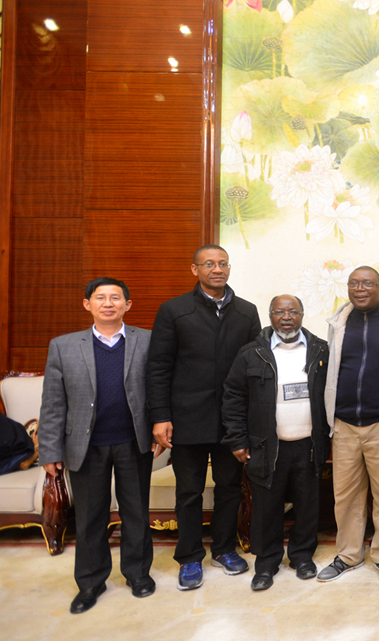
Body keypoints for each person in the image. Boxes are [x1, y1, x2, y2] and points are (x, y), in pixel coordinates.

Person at [37, 277, 158, 613]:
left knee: (136, 512)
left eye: (115, 298)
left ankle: (138, 574)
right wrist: (49, 450)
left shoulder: (147, 341)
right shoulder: (63, 346)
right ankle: (90, 582)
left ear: (127, 305)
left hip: (134, 441)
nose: (108, 303)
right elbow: (53, 403)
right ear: (87, 304)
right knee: (90, 517)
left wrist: (160, 427)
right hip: (85, 445)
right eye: (100, 297)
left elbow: (159, 388)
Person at [147, 245, 261, 590]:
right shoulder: (174, 310)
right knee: (189, 491)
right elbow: (158, 367)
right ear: (194, 269)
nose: (217, 269)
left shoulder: (246, 312)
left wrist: (252, 420)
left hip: (232, 420)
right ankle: (189, 557)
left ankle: (224, 549)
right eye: (209, 264)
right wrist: (160, 417)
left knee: (229, 488)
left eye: (222, 263)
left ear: (229, 268)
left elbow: (255, 368)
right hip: (187, 418)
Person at [222, 294, 329, 591]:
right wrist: (237, 440)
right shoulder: (251, 353)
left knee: (307, 505)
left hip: (309, 445)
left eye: (293, 311)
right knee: (266, 508)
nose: (286, 317)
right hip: (267, 446)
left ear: (302, 315)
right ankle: (266, 563)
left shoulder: (321, 350)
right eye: (280, 312)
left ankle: (302, 557)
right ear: (270, 316)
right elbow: (233, 397)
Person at [317, 267, 379, 585]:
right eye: (354, 284)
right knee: (345, 495)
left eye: (367, 284)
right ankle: (349, 555)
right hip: (344, 422)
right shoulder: (339, 320)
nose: (360, 289)